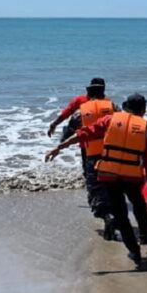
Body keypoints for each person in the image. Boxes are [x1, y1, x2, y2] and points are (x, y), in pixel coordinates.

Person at [46, 94, 147, 270]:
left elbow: (85, 133)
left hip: (109, 175)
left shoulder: (109, 120)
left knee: (121, 216)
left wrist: (60, 147)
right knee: (138, 203)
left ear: (125, 106)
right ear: (143, 111)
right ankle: (145, 235)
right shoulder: (146, 133)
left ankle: (135, 252)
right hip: (131, 177)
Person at [56, 81, 118, 240]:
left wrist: (60, 144)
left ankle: (106, 217)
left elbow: (70, 131)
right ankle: (115, 213)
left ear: (88, 94)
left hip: (91, 154)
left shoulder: (81, 112)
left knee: (95, 187)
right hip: (113, 154)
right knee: (112, 186)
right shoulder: (113, 107)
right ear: (103, 93)